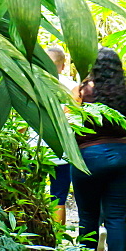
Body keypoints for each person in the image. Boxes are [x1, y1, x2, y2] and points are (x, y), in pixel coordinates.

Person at [71, 47, 126, 251]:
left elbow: (68, 124)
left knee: (88, 215)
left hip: (88, 157)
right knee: (116, 216)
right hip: (122, 157)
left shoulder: (81, 92)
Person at [45, 44, 76, 226]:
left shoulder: (30, 82)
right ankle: (57, 240)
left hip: (33, 150)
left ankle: (35, 241)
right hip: (62, 151)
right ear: (63, 65)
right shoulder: (72, 87)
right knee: (58, 198)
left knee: (29, 194)